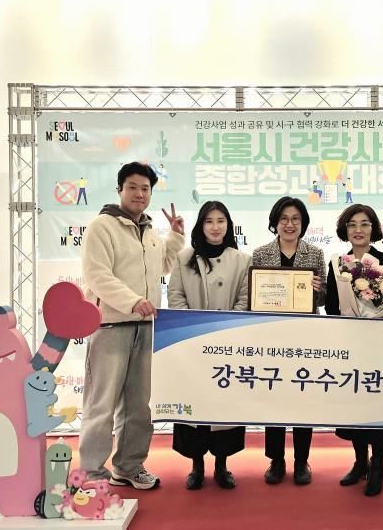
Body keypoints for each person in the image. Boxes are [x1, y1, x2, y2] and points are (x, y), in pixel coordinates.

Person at [79, 161, 185, 490]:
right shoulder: (102, 226)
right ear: (119, 190)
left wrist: (175, 236)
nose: (139, 194)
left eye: (145, 189)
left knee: (139, 406)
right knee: (101, 404)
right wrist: (132, 301)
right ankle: (92, 474)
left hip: (146, 327)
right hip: (111, 327)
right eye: (133, 187)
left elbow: (162, 268)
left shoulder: (150, 232)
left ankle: (129, 466)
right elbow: (97, 275)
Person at [168, 201, 251, 491]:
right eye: (209, 221)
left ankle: (221, 466)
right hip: (191, 344)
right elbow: (176, 295)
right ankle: (196, 466)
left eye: (221, 221)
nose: (215, 227)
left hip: (227, 343)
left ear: (228, 225)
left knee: (222, 407)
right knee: (195, 406)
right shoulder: (184, 257)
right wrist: (193, 328)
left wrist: (225, 327)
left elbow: (245, 298)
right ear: (200, 225)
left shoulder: (241, 260)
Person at [325, 204, 383, 497]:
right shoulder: (337, 263)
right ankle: (360, 462)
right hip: (351, 344)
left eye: (364, 224)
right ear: (345, 230)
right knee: (355, 407)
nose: (358, 230)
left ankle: (378, 464)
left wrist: (375, 315)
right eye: (352, 225)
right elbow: (331, 306)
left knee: (377, 406)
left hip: (380, 344)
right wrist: (351, 317)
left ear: (374, 229)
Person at [251, 196, 327, 485]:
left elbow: (324, 299)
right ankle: (276, 460)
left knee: (302, 398)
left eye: (296, 219)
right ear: (275, 223)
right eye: (284, 218)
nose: (290, 224)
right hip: (272, 336)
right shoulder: (260, 254)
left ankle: (301, 460)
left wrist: (319, 289)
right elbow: (254, 298)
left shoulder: (315, 254)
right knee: (275, 397)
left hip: (305, 336)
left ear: (303, 223)